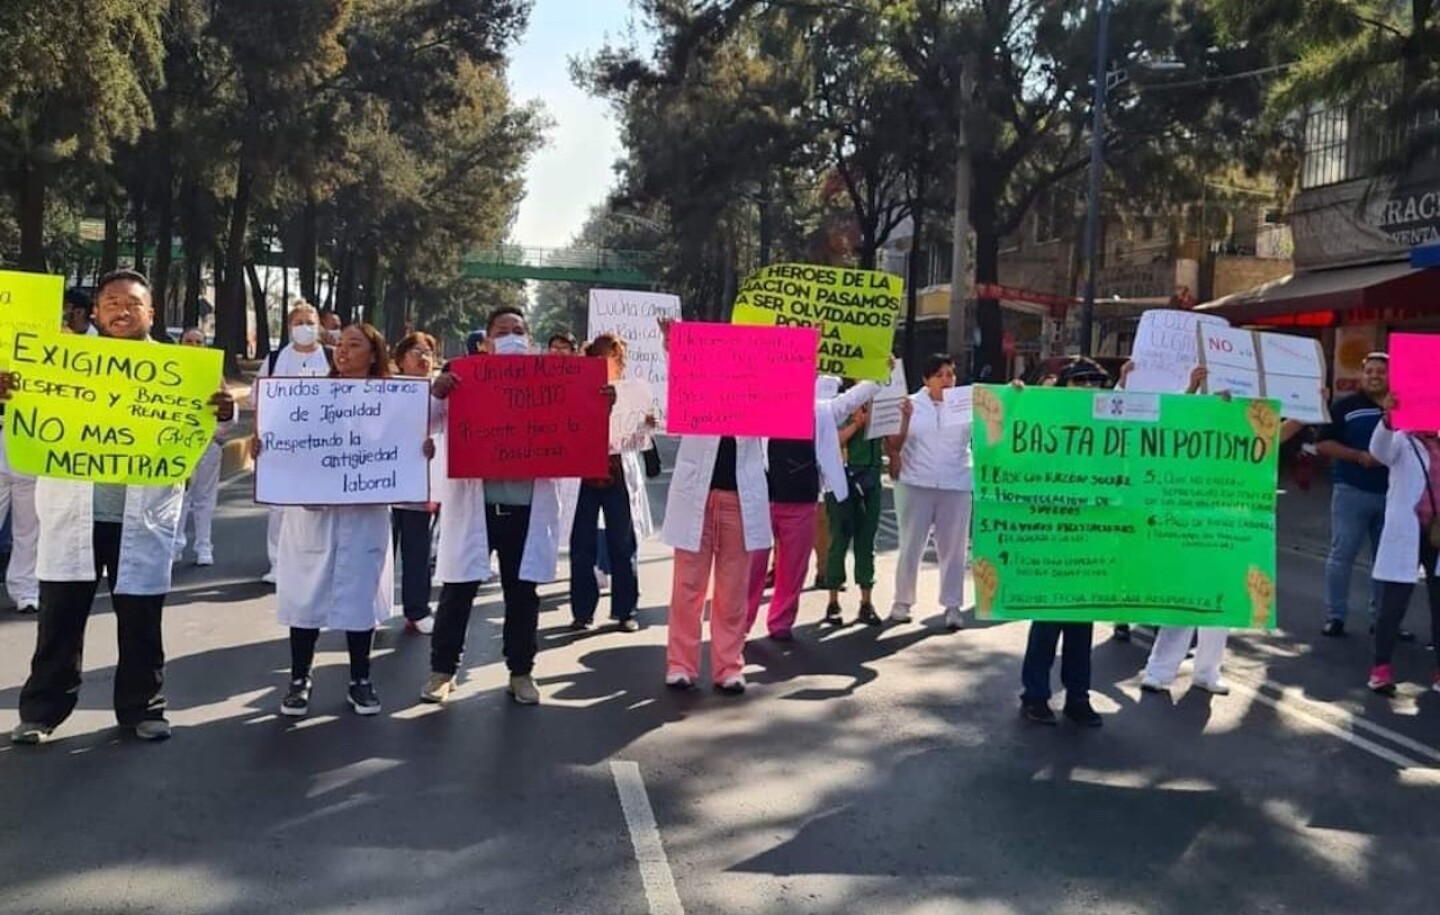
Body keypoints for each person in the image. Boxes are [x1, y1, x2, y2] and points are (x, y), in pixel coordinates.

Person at [8, 269, 235, 744]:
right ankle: (42, 712)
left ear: (151, 313)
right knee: (60, 620)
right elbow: (21, 413)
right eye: (110, 301)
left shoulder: (179, 372)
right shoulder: (62, 361)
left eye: (132, 302)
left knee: (140, 620)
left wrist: (221, 413)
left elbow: (206, 438)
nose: (120, 309)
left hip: (142, 518)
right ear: (96, 310)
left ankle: (143, 709)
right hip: (74, 515)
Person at [256, 323, 427, 717]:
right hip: (312, 515)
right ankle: (299, 679)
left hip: (363, 515)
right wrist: (264, 444)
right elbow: (279, 433)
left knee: (359, 597)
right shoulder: (309, 393)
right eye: (341, 344)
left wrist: (422, 448)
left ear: (374, 353)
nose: (343, 350)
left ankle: (360, 680)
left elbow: (422, 429)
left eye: (356, 344)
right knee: (305, 597)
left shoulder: (393, 397)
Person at [421, 307, 578, 706]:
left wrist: (601, 402)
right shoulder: (463, 376)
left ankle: (520, 672)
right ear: (487, 340)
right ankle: (443, 672)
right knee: (458, 592)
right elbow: (425, 424)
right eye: (502, 331)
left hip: (527, 509)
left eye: (518, 331)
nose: (511, 337)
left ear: (529, 338)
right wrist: (437, 394)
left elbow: (582, 428)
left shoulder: (552, 381)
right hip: (477, 507)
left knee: (523, 595)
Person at [657, 319, 770, 693]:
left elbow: (789, 390)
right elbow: (676, 380)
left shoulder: (759, 396)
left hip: (741, 500)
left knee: (733, 589)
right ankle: (680, 664)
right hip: (697, 498)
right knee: (688, 586)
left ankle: (729, 667)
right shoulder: (698, 390)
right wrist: (672, 345)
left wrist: (806, 354)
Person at [746, 375, 882, 639]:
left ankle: (780, 623)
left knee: (793, 567)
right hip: (762, 499)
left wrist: (879, 373)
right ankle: (741, 624)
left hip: (801, 499)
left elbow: (851, 400)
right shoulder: (758, 404)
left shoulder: (819, 410)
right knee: (752, 569)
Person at [1017, 358, 1110, 728]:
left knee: (1080, 625)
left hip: (1090, 538)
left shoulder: (1109, 424)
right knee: (1048, 621)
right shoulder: (1045, 417)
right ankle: (1035, 695)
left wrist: (1206, 402)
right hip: (1052, 535)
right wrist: (1018, 400)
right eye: (1081, 380)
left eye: (1097, 381)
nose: (1089, 387)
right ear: (1064, 386)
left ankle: (1078, 698)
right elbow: (1010, 437)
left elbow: (1163, 423)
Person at [568, 334, 654, 632]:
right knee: (582, 545)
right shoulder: (575, 390)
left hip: (618, 475)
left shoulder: (632, 391)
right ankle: (582, 611)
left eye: (620, 360)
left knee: (623, 543)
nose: (617, 365)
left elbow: (638, 435)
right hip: (584, 477)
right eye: (609, 358)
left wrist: (647, 424)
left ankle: (625, 609)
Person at [886, 354, 974, 630]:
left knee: (954, 549)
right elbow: (893, 444)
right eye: (940, 375)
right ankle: (902, 602)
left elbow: (999, 416)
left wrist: (1014, 392)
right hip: (916, 483)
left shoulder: (964, 405)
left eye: (951, 374)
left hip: (956, 483)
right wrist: (903, 419)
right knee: (911, 544)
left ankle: (952, 606)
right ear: (926, 380)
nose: (947, 380)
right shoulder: (911, 404)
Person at [1318, 353, 1398, 639]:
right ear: (1362, 376)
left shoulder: (1402, 407)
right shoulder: (1345, 406)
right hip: (1351, 491)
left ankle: (1383, 619)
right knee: (1342, 555)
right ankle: (1335, 616)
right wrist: (1357, 456)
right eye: (1369, 371)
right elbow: (1323, 443)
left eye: (1381, 371)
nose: (1375, 376)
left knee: (1387, 560)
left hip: (1394, 495)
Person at [1365, 393, 1440, 695]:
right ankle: (1380, 670)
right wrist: (1387, 417)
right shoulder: (1402, 440)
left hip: (1437, 535)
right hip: (1406, 531)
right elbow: (1377, 450)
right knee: (1393, 605)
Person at [256, 302, 333, 585]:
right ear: (290, 327)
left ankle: (315, 560)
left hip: (322, 443)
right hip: (281, 443)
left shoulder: (331, 357)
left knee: (317, 502)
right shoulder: (276, 359)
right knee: (279, 506)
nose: (305, 327)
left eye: (310, 322)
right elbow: (259, 398)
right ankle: (277, 563)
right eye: (299, 322)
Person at [391, 331, 442, 634]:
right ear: (400, 360)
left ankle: (417, 609)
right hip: (381, 490)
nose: (423, 358)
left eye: (428, 353)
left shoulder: (440, 393)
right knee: (378, 555)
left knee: (418, 551)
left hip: (420, 488)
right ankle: (370, 610)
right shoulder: (382, 391)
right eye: (416, 352)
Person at [824, 394, 885, 626]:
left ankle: (866, 602)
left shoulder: (881, 406)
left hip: (870, 479)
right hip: (842, 479)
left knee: (866, 540)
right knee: (839, 539)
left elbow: (894, 441)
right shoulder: (839, 406)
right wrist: (856, 424)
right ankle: (833, 600)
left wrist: (903, 419)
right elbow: (829, 441)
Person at [174, 328, 227, 566]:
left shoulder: (214, 372)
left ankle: (204, 546)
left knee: (204, 498)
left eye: (199, 341)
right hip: (176, 443)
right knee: (178, 497)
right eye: (188, 341)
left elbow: (225, 408)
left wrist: (218, 433)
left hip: (207, 444)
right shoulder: (170, 370)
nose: (193, 345)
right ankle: (176, 544)